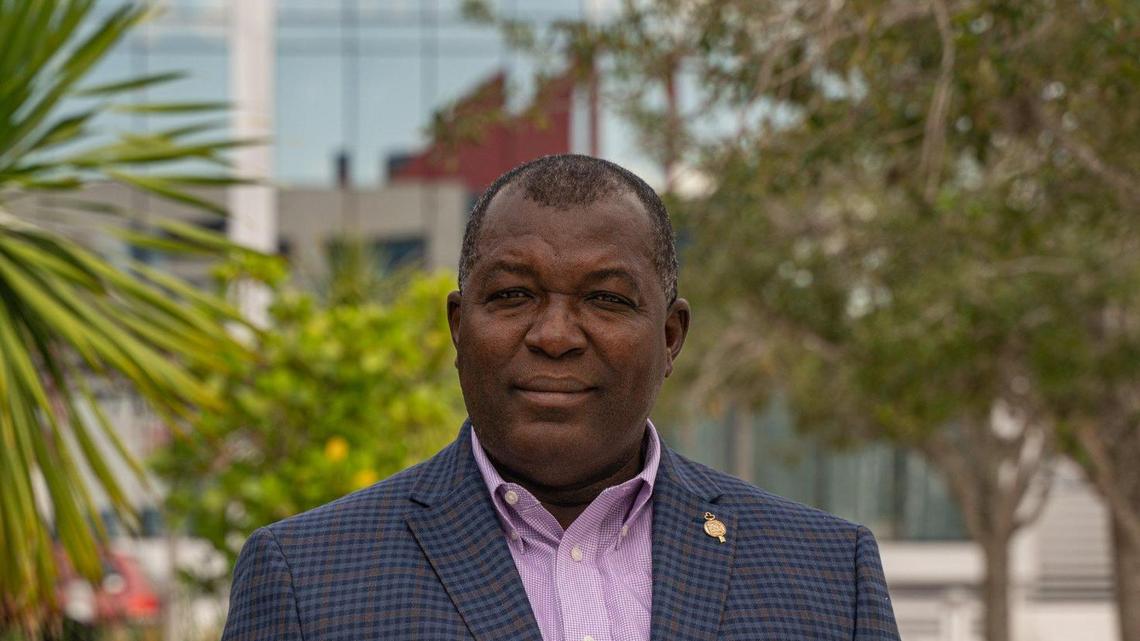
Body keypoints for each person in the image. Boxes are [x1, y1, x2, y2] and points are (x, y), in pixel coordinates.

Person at [221, 154, 901, 641]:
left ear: (670, 337)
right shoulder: (306, 578)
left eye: (605, 299)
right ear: (459, 327)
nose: (553, 335)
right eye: (513, 294)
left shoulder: (826, 575)